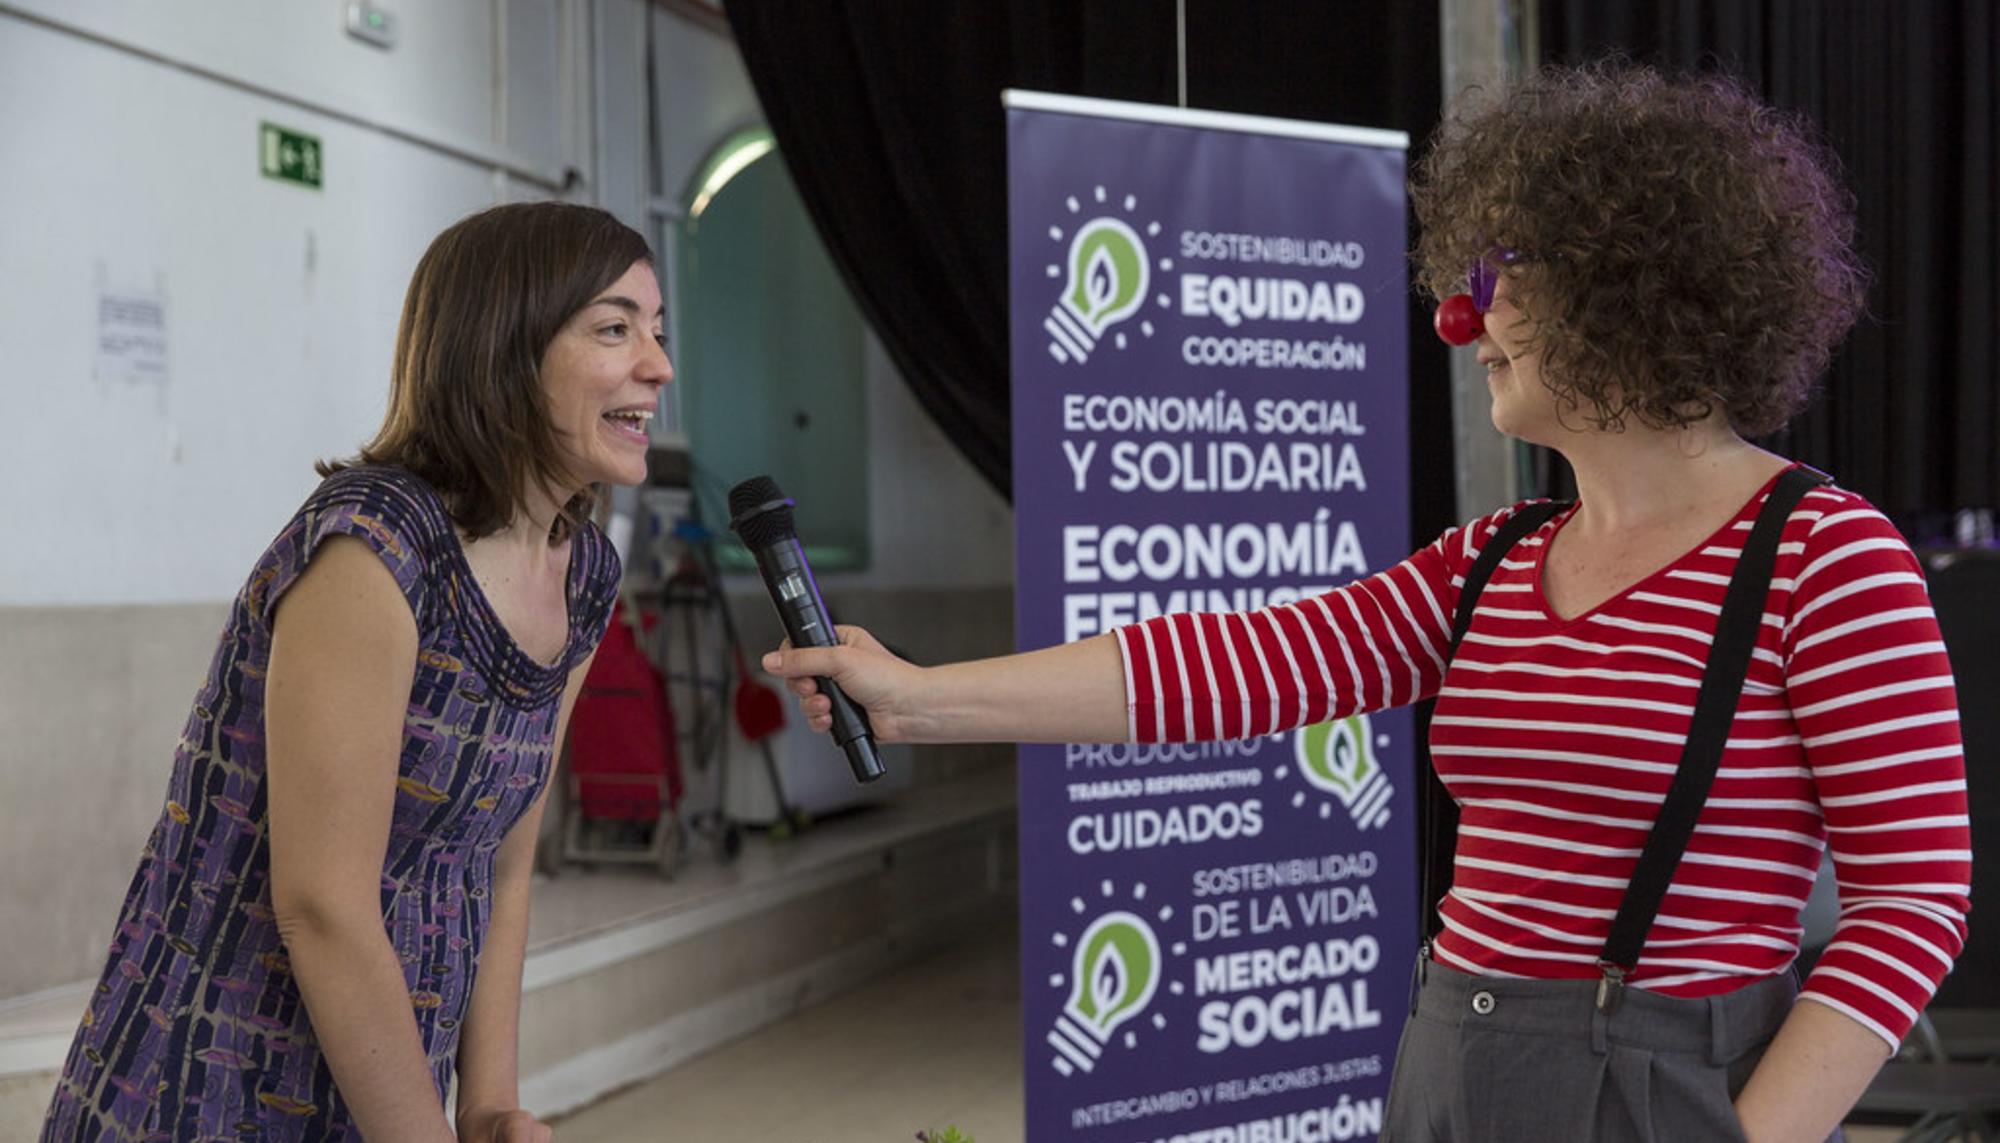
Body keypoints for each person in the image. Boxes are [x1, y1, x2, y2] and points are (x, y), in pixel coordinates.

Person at [762, 64, 1970, 1142]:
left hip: (1665, 1092)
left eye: (1498, 272)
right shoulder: (1492, 558)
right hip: (1451, 1062)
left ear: (1624, 284)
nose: (1463, 316)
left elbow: (1909, 905)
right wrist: (915, 700)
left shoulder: (1822, 556)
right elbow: (1233, 665)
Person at [42, 201, 672, 1141]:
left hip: (387, 1083)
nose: (658, 365)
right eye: (615, 329)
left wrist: (489, 1104)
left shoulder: (581, 572)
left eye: (657, 331)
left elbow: (503, 863)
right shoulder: (376, 544)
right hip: (210, 1077)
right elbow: (321, 904)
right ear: (504, 347)